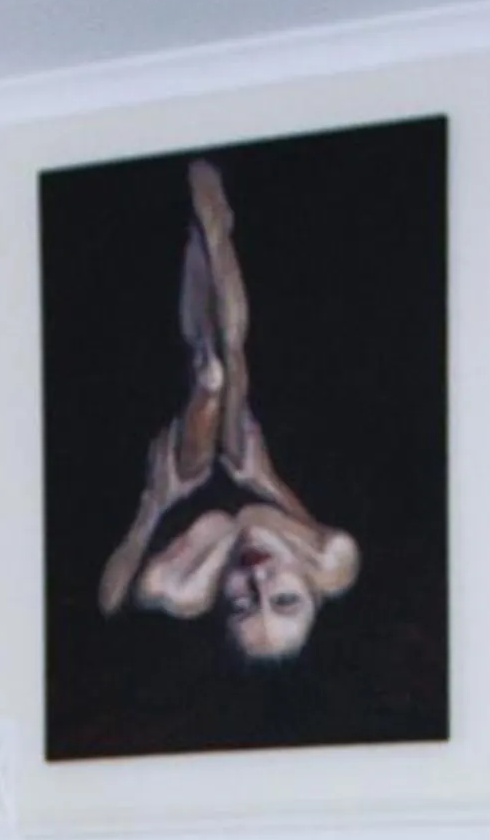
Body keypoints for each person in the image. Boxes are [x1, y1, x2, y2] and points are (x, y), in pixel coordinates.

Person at [98, 157, 359, 663]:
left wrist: (153, 505)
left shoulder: (180, 587)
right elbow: (292, 513)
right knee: (233, 390)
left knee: (204, 406)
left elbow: (110, 601)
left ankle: (207, 371)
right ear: (314, 594)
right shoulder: (332, 561)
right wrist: (268, 482)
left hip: (187, 486)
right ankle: (216, 240)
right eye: (284, 599)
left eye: (243, 605)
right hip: (245, 466)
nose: (260, 579)